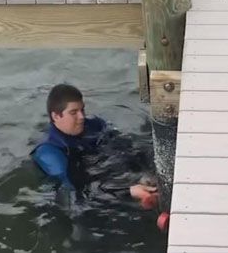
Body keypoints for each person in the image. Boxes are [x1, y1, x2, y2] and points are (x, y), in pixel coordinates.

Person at [31, 84, 159, 209]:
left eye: (82, 110)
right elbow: (78, 194)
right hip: (93, 193)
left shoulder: (94, 125)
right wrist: (128, 191)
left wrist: (141, 174)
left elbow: (125, 147)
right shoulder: (50, 153)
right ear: (56, 116)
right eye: (73, 112)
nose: (81, 117)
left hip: (110, 172)